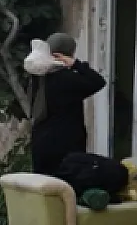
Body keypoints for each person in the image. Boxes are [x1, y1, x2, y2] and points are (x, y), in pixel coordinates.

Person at [30, 33, 106, 178]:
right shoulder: (67, 79)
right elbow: (98, 81)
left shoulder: (38, 78)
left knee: (43, 185)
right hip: (66, 144)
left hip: (40, 142)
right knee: (67, 184)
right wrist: (75, 64)